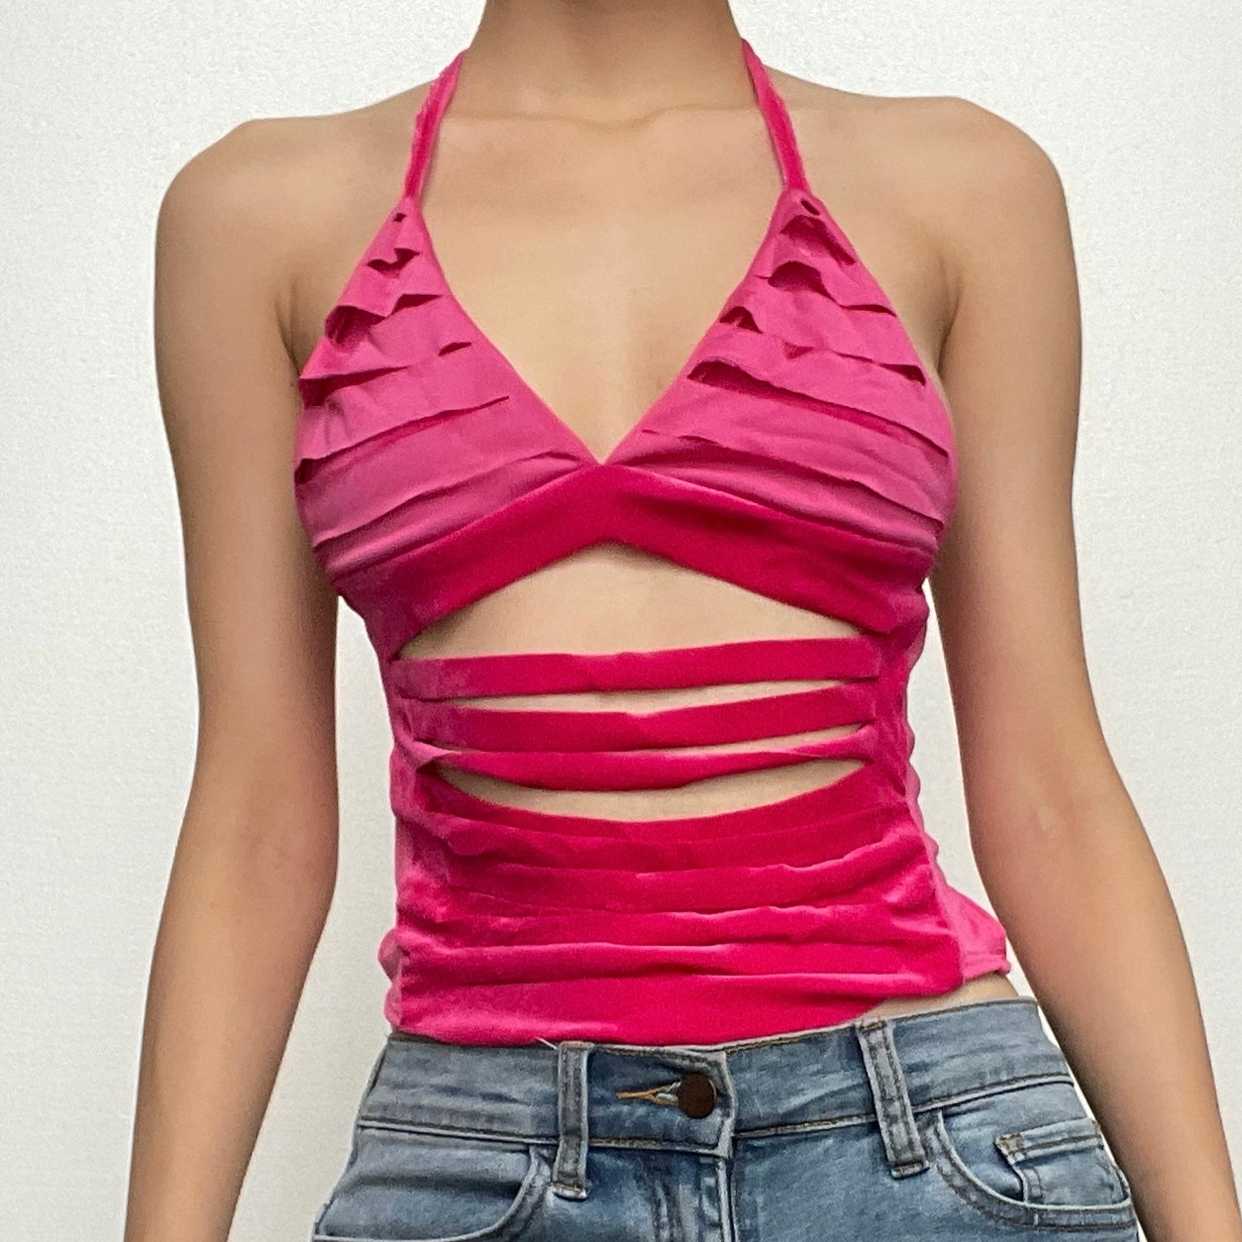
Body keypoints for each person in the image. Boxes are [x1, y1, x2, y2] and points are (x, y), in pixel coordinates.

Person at [126, 3, 1241, 1240]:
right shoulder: (258, 219)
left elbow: (1050, 789)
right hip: (480, 1163)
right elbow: (257, 819)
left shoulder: (965, 188)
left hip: (927, 1150)